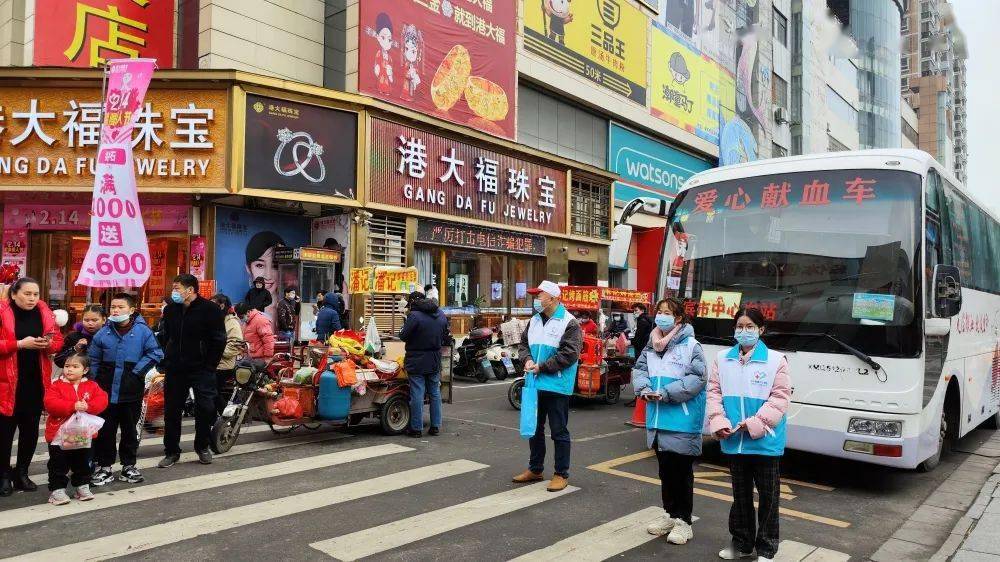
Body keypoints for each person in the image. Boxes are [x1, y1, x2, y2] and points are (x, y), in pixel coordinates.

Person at [707, 308, 791, 562]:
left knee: (768, 498)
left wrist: (755, 423)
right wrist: (718, 421)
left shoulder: (776, 360)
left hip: (765, 441)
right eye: (740, 326)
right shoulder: (722, 359)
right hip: (734, 440)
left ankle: (766, 549)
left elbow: (780, 398)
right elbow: (714, 393)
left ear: (761, 329)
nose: (744, 331)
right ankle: (742, 544)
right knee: (740, 497)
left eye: (750, 326)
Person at [632, 298, 706, 545]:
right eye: (660, 312)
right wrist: (644, 388)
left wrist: (665, 393)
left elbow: (697, 379)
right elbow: (640, 369)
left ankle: (684, 521)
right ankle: (670, 514)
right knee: (665, 471)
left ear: (678, 319)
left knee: (681, 472)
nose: (662, 316)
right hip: (657, 417)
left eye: (668, 313)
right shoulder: (651, 344)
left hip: (681, 418)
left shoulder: (691, 346)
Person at [513, 280, 583, 493]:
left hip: (556, 385)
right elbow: (523, 345)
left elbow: (569, 354)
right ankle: (535, 469)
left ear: (553, 298)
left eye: (539, 295)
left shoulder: (569, 322)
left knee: (559, 430)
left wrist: (542, 367)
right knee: (534, 428)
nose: (536, 299)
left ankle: (561, 474)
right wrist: (526, 360)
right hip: (534, 382)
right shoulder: (534, 320)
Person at [88, 293, 163, 486]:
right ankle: (105, 467)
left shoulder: (143, 332)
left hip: (131, 391)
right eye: (113, 307)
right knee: (106, 431)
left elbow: (155, 353)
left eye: (120, 307)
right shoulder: (103, 333)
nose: (115, 310)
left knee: (130, 431)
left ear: (131, 310)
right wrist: (94, 381)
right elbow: (93, 359)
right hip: (105, 392)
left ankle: (129, 466)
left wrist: (136, 372)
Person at [0, 277, 64, 497]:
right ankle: (3, 476)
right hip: (6, 384)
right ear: (14, 294)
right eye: (27, 294)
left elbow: (58, 341)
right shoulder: (3, 312)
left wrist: (48, 344)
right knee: (4, 433)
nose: (32, 298)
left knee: (29, 432)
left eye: (35, 294)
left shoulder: (44, 313)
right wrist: (19, 344)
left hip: (35, 383)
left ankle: (22, 473)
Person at [158, 274, 226, 468]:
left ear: (190, 290)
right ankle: (171, 451)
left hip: (202, 369)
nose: (174, 292)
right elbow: (166, 336)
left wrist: (210, 365)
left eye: (177, 288)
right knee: (172, 411)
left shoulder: (210, 309)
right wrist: (167, 358)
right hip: (175, 369)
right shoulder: (171, 310)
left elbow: (219, 340)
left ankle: (202, 447)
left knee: (205, 408)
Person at [42, 353, 108, 505]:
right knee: (59, 462)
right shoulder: (56, 385)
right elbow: (50, 403)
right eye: (67, 366)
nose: (69, 369)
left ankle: (82, 485)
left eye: (75, 366)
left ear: (85, 370)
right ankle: (57, 489)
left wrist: (89, 406)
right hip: (59, 433)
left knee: (82, 460)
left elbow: (102, 400)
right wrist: (72, 406)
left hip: (82, 432)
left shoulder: (92, 386)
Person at [398, 291, 449, 438]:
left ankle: (416, 428)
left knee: (417, 394)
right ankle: (435, 426)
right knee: (434, 393)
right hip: (434, 358)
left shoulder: (414, 316)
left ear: (412, 302)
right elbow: (445, 334)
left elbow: (403, 335)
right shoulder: (440, 314)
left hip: (416, 360)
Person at [211, 294, 245, 415]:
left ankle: (227, 416)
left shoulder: (231, 322)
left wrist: (216, 351)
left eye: (213, 304)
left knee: (212, 392)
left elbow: (235, 345)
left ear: (221, 306)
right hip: (213, 363)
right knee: (210, 393)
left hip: (224, 365)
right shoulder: (217, 320)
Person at [244, 231, 285, 319]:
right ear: (248, 268)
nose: (268, 276)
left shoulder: (284, 306)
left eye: (275, 266)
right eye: (260, 265)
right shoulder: (245, 308)